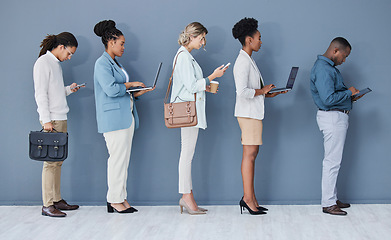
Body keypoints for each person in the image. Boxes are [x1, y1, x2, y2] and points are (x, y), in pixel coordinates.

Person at [93, 20, 153, 214]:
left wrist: (137, 93)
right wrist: (130, 84)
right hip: (114, 121)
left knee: (123, 160)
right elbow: (110, 89)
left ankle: (121, 198)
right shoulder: (102, 63)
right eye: (122, 43)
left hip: (124, 118)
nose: (124, 47)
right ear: (111, 42)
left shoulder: (114, 63)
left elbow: (119, 92)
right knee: (117, 160)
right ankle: (114, 200)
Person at [171, 22, 226, 215]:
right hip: (187, 112)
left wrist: (209, 85)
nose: (203, 42)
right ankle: (186, 197)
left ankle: (188, 196)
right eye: (201, 38)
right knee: (186, 155)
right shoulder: (184, 57)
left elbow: (190, 86)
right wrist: (212, 76)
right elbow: (192, 86)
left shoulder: (186, 57)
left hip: (190, 110)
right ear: (192, 36)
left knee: (187, 154)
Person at [232, 17, 286, 215]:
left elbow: (253, 90)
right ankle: (247, 199)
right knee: (250, 156)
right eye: (259, 38)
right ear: (249, 40)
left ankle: (251, 198)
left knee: (252, 155)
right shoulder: (242, 62)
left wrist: (267, 93)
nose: (261, 41)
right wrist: (262, 91)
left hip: (252, 113)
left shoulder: (248, 60)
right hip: (248, 115)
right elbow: (242, 92)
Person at [310, 37, 361, 215]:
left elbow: (332, 94)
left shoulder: (328, 68)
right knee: (332, 162)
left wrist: (350, 96)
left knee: (334, 161)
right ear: (335, 51)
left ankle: (332, 197)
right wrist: (348, 93)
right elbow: (327, 99)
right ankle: (328, 203)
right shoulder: (323, 69)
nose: (344, 60)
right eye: (344, 56)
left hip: (335, 117)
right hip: (332, 118)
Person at [33, 32, 82, 217]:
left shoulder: (55, 64)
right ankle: (47, 205)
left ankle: (56, 199)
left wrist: (69, 89)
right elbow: (41, 94)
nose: (69, 57)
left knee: (58, 161)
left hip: (60, 117)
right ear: (61, 47)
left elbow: (54, 92)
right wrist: (46, 120)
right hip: (51, 120)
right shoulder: (43, 63)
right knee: (50, 163)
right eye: (69, 53)